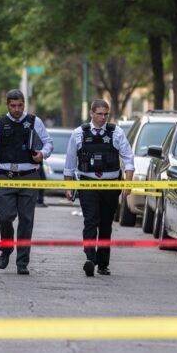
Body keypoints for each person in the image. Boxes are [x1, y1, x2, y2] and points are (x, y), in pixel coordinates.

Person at [0, 89, 53, 275]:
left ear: (24, 104)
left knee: (26, 221)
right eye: (13, 106)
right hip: (5, 176)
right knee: (4, 217)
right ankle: (6, 248)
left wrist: (42, 154)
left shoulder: (35, 122)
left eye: (20, 105)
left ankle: (22, 262)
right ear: (7, 105)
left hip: (29, 176)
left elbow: (48, 143)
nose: (17, 109)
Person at [64, 99, 135, 277]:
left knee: (105, 224)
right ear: (91, 113)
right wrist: (68, 186)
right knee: (91, 221)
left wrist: (128, 182)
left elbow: (128, 158)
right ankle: (90, 258)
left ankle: (103, 264)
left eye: (106, 114)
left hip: (111, 185)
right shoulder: (79, 133)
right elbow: (70, 163)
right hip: (87, 184)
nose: (103, 118)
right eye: (99, 114)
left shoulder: (116, 133)